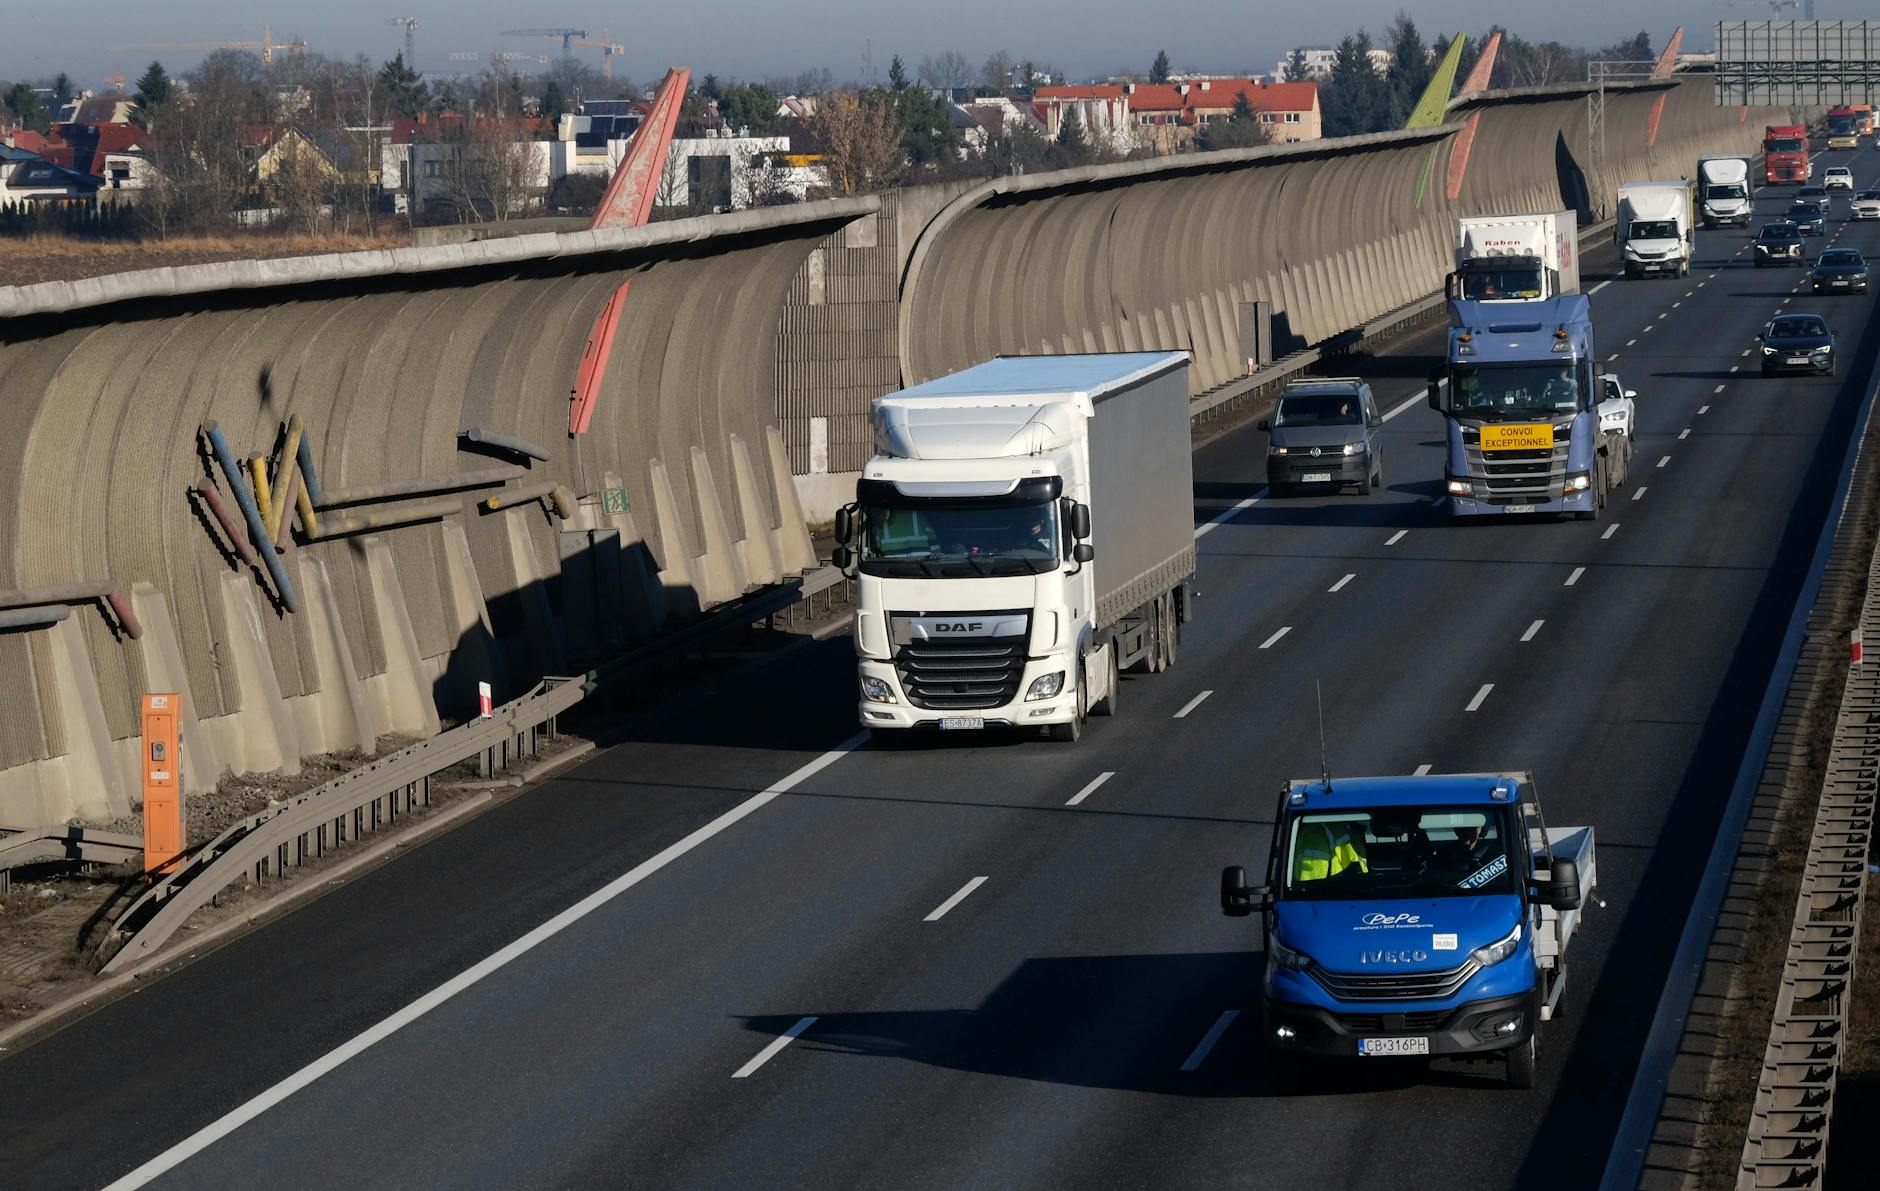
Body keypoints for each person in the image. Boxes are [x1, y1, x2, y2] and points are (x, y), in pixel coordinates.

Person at [1293, 819, 1368, 884]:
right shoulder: (1318, 833)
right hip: (1328, 893)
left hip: (1340, 891)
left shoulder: (1351, 837)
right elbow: (1311, 880)